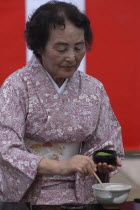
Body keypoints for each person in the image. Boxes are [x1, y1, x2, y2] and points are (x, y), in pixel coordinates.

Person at [0, 0, 124, 205]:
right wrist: (62, 166)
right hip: (29, 195)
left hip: (81, 193)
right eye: (61, 48)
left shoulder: (93, 89)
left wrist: (102, 162)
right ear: (39, 46)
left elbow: (106, 142)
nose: (72, 57)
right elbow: (5, 149)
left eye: (78, 47)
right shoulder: (16, 86)